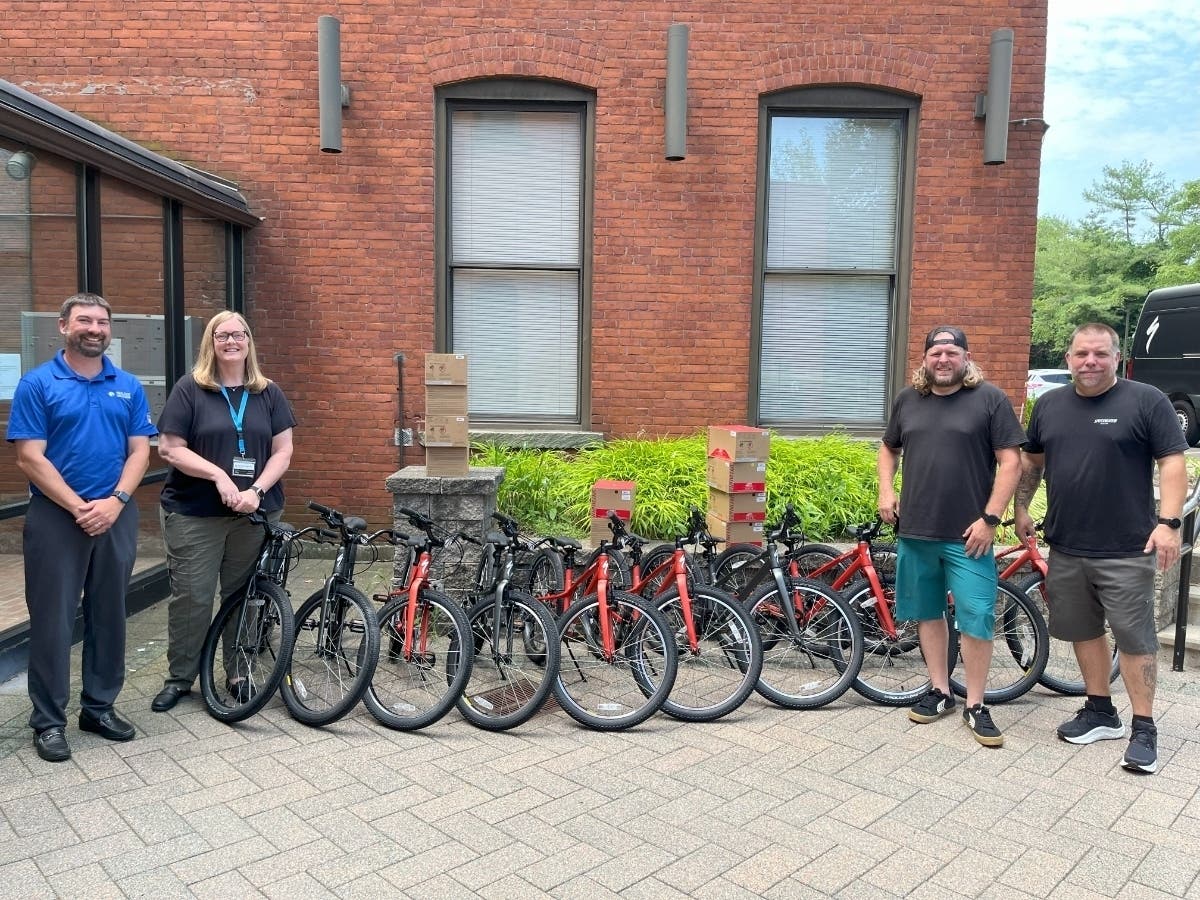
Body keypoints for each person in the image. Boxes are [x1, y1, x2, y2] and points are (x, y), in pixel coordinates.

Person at [1015, 322, 1187, 774]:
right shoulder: (1049, 405)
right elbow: (1033, 461)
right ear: (1068, 358)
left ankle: (1145, 728)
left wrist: (1168, 523)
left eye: (1099, 354)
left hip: (1127, 547)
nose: (1090, 362)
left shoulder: (1145, 400)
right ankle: (1100, 711)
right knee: (1083, 630)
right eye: (1081, 354)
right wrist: (1021, 507)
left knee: (1134, 638)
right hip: (1068, 545)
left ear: (1116, 358)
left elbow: (1172, 460)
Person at [7, 293, 156, 762]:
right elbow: (29, 456)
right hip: (56, 517)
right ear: (63, 326)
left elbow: (140, 451)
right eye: (84, 320)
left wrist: (114, 503)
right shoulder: (38, 384)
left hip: (115, 514)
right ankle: (49, 721)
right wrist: (79, 507)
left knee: (110, 613)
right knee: (52, 620)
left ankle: (99, 707)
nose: (94, 328)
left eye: (102, 321)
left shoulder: (128, 385)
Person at [877, 325, 1025, 747]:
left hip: (970, 535)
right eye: (936, 352)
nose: (943, 359)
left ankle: (976, 704)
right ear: (925, 359)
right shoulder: (909, 400)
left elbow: (1010, 462)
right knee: (927, 612)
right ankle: (940, 691)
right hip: (916, 531)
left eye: (952, 352)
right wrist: (887, 490)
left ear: (966, 357)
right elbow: (889, 447)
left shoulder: (989, 399)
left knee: (976, 617)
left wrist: (990, 519)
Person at [151, 310, 295, 712]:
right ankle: (181, 677)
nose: (231, 341)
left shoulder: (268, 393)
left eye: (239, 334)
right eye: (222, 335)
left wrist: (257, 490)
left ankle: (237, 670)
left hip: (254, 513)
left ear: (249, 341)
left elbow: (283, 451)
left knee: (243, 596)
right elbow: (169, 448)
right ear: (210, 343)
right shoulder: (190, 390)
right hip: (195, 513)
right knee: (193, 598)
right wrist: (220, 477)